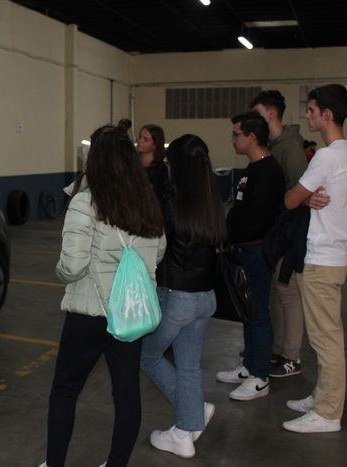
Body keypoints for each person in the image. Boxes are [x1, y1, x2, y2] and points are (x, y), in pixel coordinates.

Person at [44, 124, 166, 467]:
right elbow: (157, 253)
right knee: (127, 394)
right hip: (129, 313)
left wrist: (62, 273)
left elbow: (72, 265)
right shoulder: (146, 200)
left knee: (65, 390)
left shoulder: (86, 201)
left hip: (88, 313)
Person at [140, 134, 225, 459]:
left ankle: (189, 418)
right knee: (188, 366)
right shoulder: (212, 200)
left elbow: (156, 246)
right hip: (206, 298)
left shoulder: (172, 203)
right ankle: (185, 429)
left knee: (147, 356)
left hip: (177, 298)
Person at [283, 84, 347, 433]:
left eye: (311, 110)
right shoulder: (342, 154)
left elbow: (290, 199)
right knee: (327, 335)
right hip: (333, 256)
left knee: (326, 339)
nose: (308, 115)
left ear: (327, 114)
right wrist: (308, 199)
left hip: (323, 259)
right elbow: (310, 198)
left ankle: (327, 413)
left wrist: (302, 198)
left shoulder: (327, 156)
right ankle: (324, 395)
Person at [216, 112, 285, 401]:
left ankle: (260, 377)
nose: (233, 139)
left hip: (256, 251)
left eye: (236, 134)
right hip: (242, 250)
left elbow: (257, 218)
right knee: (247, 313)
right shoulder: (249, 170)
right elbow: (240, 212)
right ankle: (248, 366)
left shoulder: (269, 171)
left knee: (257, 314)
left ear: (252, 137)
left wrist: (233, 234)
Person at [250, 90, 307, 378]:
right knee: (276, 292)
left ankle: (292, 357)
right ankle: (281, 349)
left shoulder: (290, 149)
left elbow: (303, 194)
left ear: (271, 113)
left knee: (288, 292)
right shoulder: (274, 146)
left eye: (257, 113)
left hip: (289, 232)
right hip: (275, 232)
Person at [137, 124, 168, 202]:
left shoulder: (161, 168)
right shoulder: (132, 162)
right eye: (140, 137)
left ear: (155, 145)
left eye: (146, 139)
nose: (140, 141)